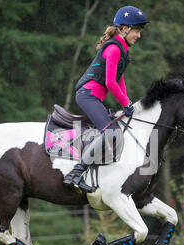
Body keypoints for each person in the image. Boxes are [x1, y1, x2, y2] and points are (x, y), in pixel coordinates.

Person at [63, 5, 149, 193]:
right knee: (110, 133)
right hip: (87, 96)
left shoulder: (123, 49)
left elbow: (119, 77)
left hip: (94, 97)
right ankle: (75, 174)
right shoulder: (114, 49)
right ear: (125, 29)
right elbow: (110, 82)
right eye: (137, 31)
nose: (139, 36)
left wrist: (127, 102)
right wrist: (125, 103)